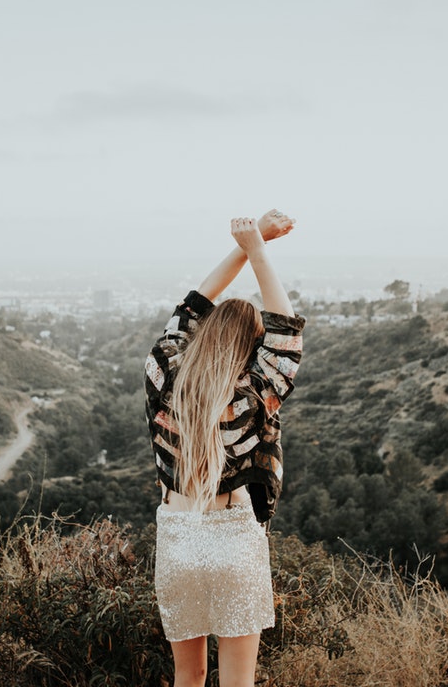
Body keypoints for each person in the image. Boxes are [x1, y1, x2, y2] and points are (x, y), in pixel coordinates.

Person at [144, 211, 305, 687]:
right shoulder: (254, 392)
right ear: (253, 349)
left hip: (177, 536)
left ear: (204, 333)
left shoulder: (163, 369)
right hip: (233, 539)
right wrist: (258, 248)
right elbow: (287, 335)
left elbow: (192, 304)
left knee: (187, 679)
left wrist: (246, 243)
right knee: (238, 682)